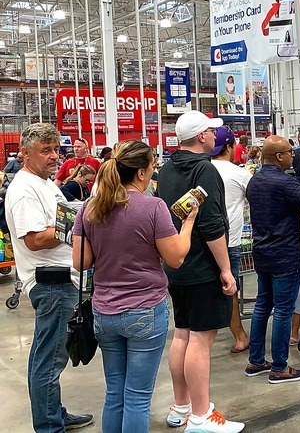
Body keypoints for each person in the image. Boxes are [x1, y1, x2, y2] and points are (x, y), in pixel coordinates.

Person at [71, 140, 196, 432]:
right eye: (152, 166)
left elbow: (81, 261)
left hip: (104, 311)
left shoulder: (89, 208)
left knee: (115, 394)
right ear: (141, 173)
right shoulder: (154, 207)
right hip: (144, 312)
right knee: (138, 397)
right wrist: (188, 223)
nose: (154, 172)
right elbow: (176, 258)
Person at [157, 111, 243, 432]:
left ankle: (181, 406)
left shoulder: (166, 169)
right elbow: (210, 224)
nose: (214, 136)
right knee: (201, 340)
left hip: (176, 264)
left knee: (182, 333)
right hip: (203, 266)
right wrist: (225, 269)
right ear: (202, 136)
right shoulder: (204, 170)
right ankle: (202, 415)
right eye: (211, 131)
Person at [5, 123, 93, 432]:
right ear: (25, 154)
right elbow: (34, 239)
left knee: (50, 356)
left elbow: (59, 219)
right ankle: (48, 425)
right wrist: (76, 225)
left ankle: (54, 413)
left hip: (62, 279)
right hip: (50, 284)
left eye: (57, 149)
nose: (54, 156)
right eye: (46, 151)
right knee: (49, 359)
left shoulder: (44, 183)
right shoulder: (24, 190)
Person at [245, 135, 300, 383]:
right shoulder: (284, 182)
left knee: (262, 306)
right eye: (290, 152)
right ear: (279, 157)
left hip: (262, 252)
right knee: (282, 310)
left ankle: (256, 361)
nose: (293, 155)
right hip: (285, 254)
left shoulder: (255, 181)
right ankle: (279, 367)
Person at [210, 127, 252, 355]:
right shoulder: (240, 173)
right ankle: (239, 336)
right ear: (229, 148)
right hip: (230, 241)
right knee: (230, 289)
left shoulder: (202, 170)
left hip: (204, 240)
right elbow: (256, 199)